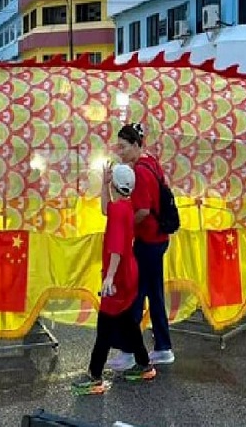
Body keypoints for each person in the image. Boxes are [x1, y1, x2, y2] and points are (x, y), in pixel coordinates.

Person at [72, 163, 155, 395]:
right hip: (128, 274)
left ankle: (95, 376)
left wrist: (109, 278)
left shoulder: (120, 211)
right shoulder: (124, 205)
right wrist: (106, 184)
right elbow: (105, 209)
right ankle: (145, 364)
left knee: (105, 328)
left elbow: (117, 248)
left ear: (117, 187)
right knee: (129, 323)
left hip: (117, 278)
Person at [107, 123, 175, 371]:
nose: (120, 152)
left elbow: (144, 210)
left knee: (134, 296)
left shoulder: (141, 173)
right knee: (154, 295)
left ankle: (129, 352)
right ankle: (163, 347)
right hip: (157, 240)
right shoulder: (151, 163)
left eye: (124, 147)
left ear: (136, 145)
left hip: (147, 241)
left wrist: (126, 227)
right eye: (118, 147)